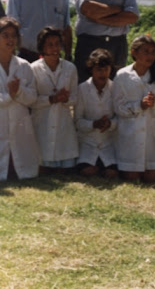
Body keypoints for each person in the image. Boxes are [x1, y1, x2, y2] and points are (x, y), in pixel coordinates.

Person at [113, 35, 155, 182]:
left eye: (153, 52)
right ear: (134, 52)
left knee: (153, 178)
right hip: (130, 133)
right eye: (146, 51)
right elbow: (118, 106)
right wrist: (139, 106)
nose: (150, 56)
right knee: (132, 177)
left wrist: (154, 104)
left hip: (154, 134)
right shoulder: (122, 75)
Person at [30, 27, 79, 172]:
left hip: (63, 124)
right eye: (50, 44)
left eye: (57, 43)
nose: (54, 48)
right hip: (41, 123)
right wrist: (51, 99)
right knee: (42, 166)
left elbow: (75, 98)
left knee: (65, 169)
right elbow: (31, 100)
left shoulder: (70, 68)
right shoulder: (33, 69)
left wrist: (65, 99)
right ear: (42, 47)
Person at [0, 17, 40, 180]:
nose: (10, 40)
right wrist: (9, 95)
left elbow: (32, 97)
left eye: (13, 36)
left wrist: (18, 92)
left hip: (20, 122)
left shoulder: (24, 66)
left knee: (21, 167)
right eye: (5, 35)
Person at [75, 48, 118, 178]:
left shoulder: (115, 88)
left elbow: (120, 117)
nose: (103, 73)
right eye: (99, 69)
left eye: (106, 69)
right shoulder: (82, 89)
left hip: (108, 143)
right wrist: (94, 124)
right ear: (91, 70)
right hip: (88, 142)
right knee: (88, 171)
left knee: (111, 173)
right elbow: (77, 121)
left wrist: (110, 124)